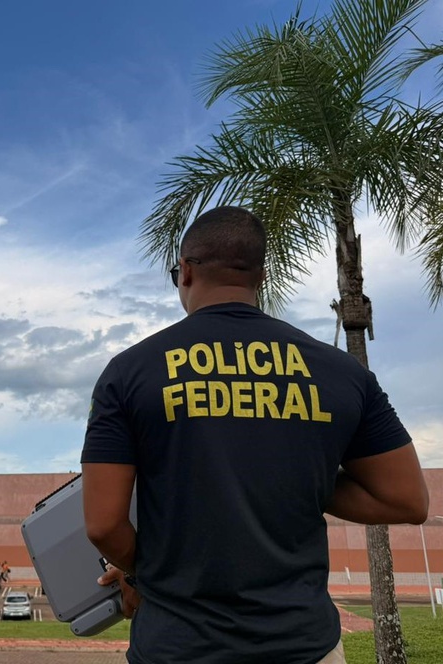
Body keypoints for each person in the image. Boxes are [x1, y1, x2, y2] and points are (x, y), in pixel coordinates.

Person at [81, 206, 429, 664]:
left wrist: (147, 573)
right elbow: (408, 500)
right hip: (304, 647)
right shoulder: (343, 373)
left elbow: (104, 524)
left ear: (184, 271)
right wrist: (297, 477)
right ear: (261, 277)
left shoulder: (129, 372)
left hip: (178, 647)